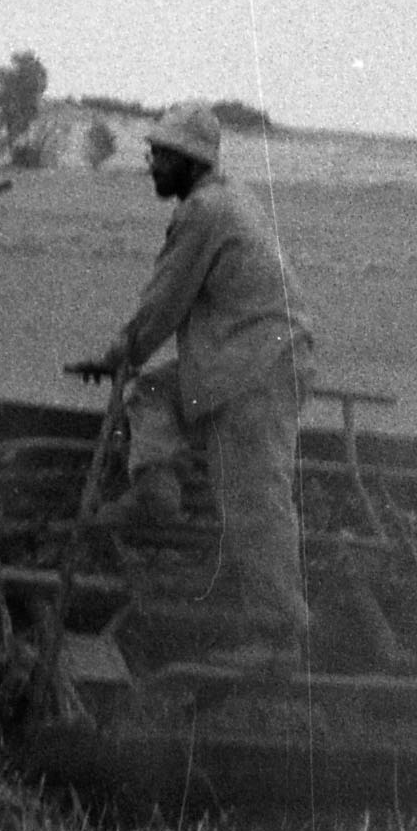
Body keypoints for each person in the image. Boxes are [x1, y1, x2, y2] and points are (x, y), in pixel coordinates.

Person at [84, 100, 317, 671]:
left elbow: (167, 297)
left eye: (161, 156)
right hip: (236, 356)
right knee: (156, 393)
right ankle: (156, 488)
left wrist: (121, 352)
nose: (151, 166)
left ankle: (279, 636)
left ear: (190, 161)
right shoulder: (228, 202)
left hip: (257, 365)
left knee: (254, 498)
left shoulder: (205, 211)